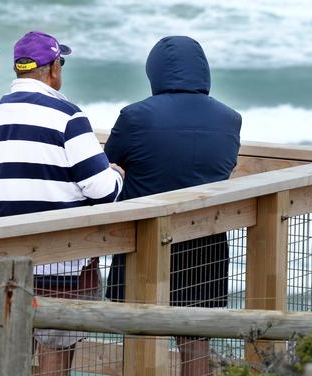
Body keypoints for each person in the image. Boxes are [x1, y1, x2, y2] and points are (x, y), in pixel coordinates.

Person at [0, 31, 124, 375]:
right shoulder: (68, 116)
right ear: (53, 68)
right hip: (60, 265)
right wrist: (116, 171)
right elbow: (102, 190)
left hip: (5, 263)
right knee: (56, 357)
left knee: (10, 355)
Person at [105, 36, 241, 376]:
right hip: (207, 242)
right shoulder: (230, 119)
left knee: (141, 333)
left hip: (145, 241)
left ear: (155, 71)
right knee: (196, 341)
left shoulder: (135, 117)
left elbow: (107, 162)